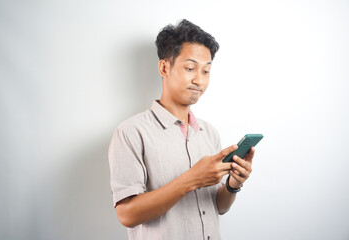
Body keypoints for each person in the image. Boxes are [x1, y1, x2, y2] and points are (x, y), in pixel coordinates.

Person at [108, 19, 255, 240]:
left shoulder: (210, 132)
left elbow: (219, 207)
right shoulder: (131, 133)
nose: (199, 80)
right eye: (190, 68)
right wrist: (192, 178)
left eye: (206, 71)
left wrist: (233, 184)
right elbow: (127, 215)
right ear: (164, 67)